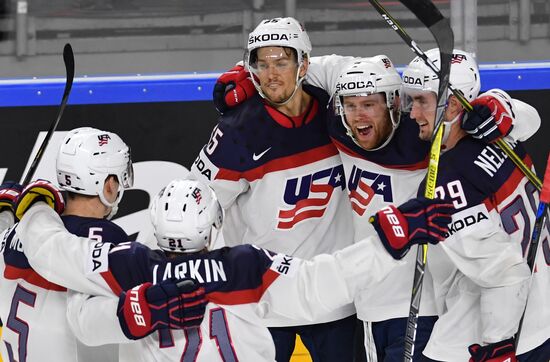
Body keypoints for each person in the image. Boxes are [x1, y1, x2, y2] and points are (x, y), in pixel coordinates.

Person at [213, 53, 543, 361]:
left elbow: (512, 120)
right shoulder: (340, 125)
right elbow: (310, 64)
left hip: (423, 305)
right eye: (351, 105)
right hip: (368, 307)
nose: (359, 115)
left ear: (393, 103)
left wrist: (504, 106)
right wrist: (247, 71)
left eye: (370, 104)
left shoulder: (424, 133)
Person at [12, 178, 453, 361]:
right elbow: (328, 281)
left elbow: (55, 259)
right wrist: (388, 238)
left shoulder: (129, 264)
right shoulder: (246, 267)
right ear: (214, 225)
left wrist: (33, 209)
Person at [190, 17, 358, 361]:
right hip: (265, 301)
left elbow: (366, 71)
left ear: (304, 66)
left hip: (335, 299)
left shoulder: (339, 112)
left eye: (282, 62)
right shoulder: (236, 130)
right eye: (261, 64)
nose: (271, 74)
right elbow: (193, 203)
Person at [0, 127, 205, 362]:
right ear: (108, 185)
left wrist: (11, 214)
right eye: (118, 179)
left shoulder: (15, 234)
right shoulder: (105, 238)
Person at [400, 48, 550, 361]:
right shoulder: (503, 133)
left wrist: (497, 343)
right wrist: (501, 101)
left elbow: (502, 273)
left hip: (488, 332)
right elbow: (528, 118)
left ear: (453, 103)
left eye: (422, 101)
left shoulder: (447, 182)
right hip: (540, 312)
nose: (412, 113)